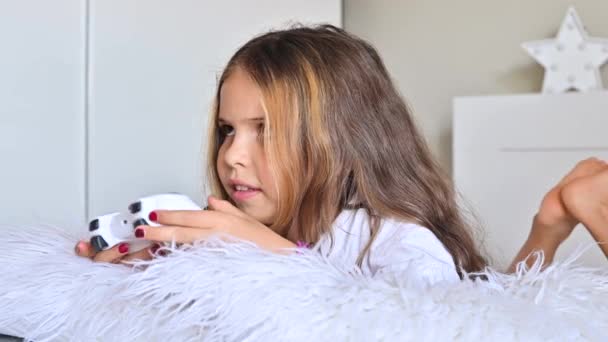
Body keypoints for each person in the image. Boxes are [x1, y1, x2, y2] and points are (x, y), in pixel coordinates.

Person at [73, 25, 606, 285]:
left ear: (347, 138)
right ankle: (551, 222)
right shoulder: (258, 226)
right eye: (227, 130)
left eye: (266, 130)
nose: (232, 155)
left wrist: (269, 255)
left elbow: (441, 326)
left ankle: (567, 215)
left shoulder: (395, 239)